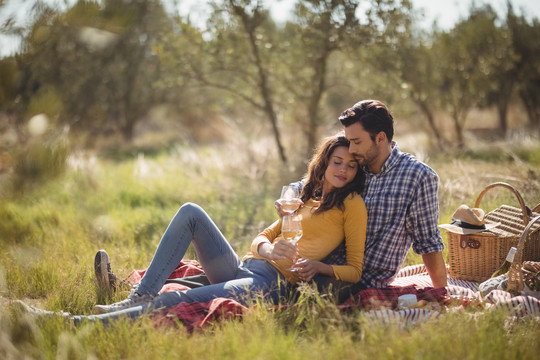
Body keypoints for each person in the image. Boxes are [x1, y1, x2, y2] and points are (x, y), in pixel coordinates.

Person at [15, 135, 368, 323]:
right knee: (191, 212)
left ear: (356, 173)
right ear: (323, 165)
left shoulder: (351, 206)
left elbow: (354, 270)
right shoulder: (303, 199)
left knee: (176, 300)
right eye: (336, 161)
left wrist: (319, 268)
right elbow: (258, 238)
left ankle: (71, 321)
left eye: (350, 166)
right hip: (249, 267)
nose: (343, 169)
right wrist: (268, 249)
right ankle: (138, 296)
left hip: (271, 285)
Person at [278, 99, 447, 298]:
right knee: (272, 281)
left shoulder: (418, 177)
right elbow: (305, 185)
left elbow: (429, 244)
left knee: (294, 296)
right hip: (317, 265)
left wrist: (441, 295)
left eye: (356, 142)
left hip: (362, 282)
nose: (350, 149)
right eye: (349, 141)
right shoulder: (353, 166)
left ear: (380, 138)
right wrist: (286, 199)